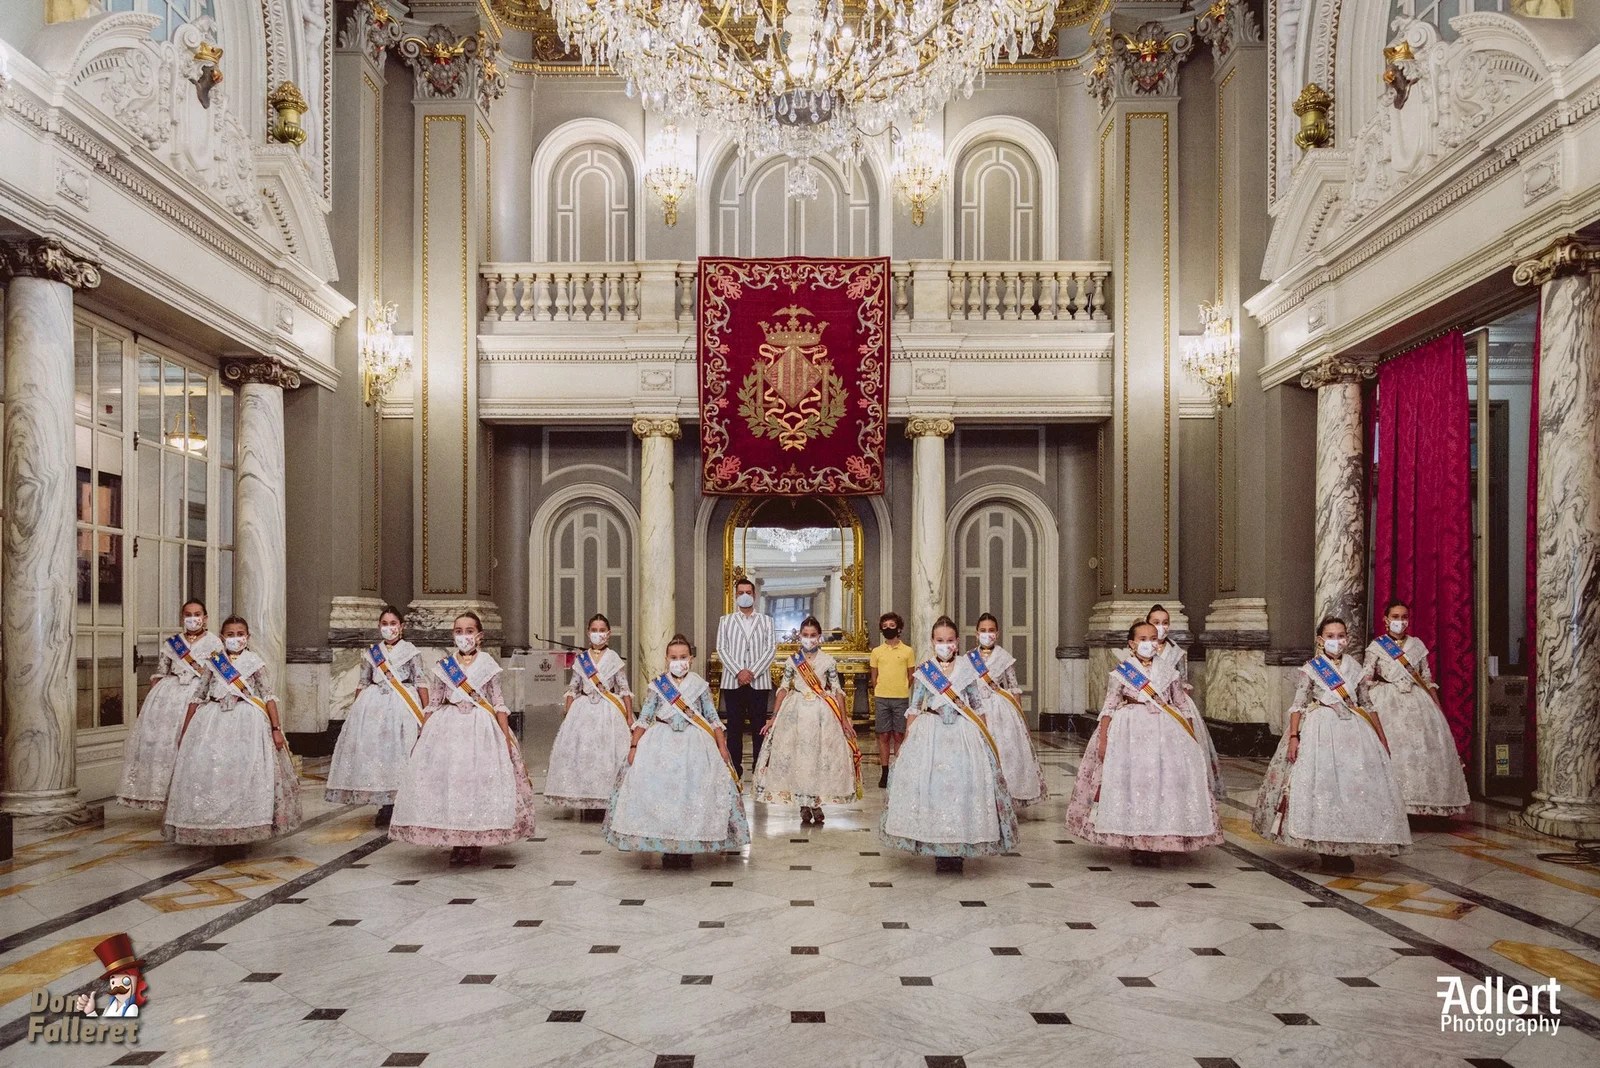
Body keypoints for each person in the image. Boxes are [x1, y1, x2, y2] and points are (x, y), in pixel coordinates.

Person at [1254, 617, 1411, 872]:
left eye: (1341, 635)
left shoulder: (1355, 667)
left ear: (1347, 638)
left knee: (1352, 788)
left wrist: (1381, 738)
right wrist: (1293, 737)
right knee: (1323, 787)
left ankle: (1346, 844)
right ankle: (1325, 846)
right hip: (1319, 730)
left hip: (1354, 732)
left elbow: (1367, 704)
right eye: (1330, 636)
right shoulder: (1313, 668)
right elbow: (1298, 705)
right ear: (1320, 640)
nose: (1336, 641)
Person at [1066, 621, 1222, 866]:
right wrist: (1103, 739)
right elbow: (1108, 707)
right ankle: (1135, 842)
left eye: (1153, 639)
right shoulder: (1122, 672)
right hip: (1129, 733)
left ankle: (1160, 840)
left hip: (1166, 734)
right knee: (1135, 785)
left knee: (1163, 785)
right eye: (1143, 638)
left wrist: (1191, 738)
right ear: (1132, 643)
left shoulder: (1169, 672)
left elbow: (1182, 706)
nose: (1149, 643)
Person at [389, 612, 537, 865]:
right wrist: (422, 735)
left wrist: (505, 737)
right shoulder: (444, 667)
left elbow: (498, 702)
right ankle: (457, 839)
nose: (464, 636)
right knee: (451, 784)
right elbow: (434, 703)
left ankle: (474, 841)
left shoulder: (488, 664)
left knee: (476, 784)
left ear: (480, 635)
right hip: (446, 729)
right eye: (459, 631)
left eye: (469, 631)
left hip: (481, 729)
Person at [880, 616, 1017, 872]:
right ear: (933, 642)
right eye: (940, 640)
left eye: (950, 640)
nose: (945, 645)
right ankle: (937, 847)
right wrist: (907, 740)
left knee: (962, 788)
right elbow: (914, 707)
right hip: (930, 732)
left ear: (957, 642)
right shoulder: (925, 671)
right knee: (933, 789)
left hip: (964, 733)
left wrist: (985, 736)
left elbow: (977, 706)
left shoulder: (968, 668)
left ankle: (959, 847)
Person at [604, 635, 749, 867]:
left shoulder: (700, 685)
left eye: (683, 657)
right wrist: (634, 746)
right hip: (660, 742)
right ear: (666, 659)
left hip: (695, 743)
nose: (678, 661)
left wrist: (722, 748)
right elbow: (645, 718)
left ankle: (687, 846)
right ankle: (666, 846)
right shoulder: (658, 685)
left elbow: (713, 718)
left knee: (692, 794)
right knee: (662, 795)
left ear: (691, 659)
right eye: (674, 657)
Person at [163, 616, 302, 852]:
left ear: (247, 637)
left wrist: (276, 729)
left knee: (243, 774)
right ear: (222, 637)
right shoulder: (213, 662)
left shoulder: (254, 662)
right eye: (230, 634)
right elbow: (198, 696)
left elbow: (268, 696)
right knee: (213, 774)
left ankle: (243, 828)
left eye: (240, 634)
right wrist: (185, 730)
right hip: (212, 721)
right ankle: (214, 827)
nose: (235, 638)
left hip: (248, 722)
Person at [1361, 601, 1471, 818]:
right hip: (1386, 700)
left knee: (1422, 749)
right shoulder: (1377, 646)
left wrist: (1437, 708)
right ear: (1385, 619)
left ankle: (1420, 803)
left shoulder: (1417, 645)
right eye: (1395, 616)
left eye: (1404, 617)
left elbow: (1426, 679)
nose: (1400, 621)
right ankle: (1391, 804)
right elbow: (1366, 677)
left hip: (1418, 701)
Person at [324, 605, 427, 826]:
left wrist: (428, 714)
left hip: (403, 707)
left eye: (393, 623)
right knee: (381, 756)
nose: (389, 628)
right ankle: (386, 803)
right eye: (385, 624)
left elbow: (420, 682)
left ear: (402, 626)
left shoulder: (411, 651)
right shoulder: (372, 653)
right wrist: (355, 714)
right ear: (379, 626)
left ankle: (403, 801)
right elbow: (363, 682)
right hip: (374, 709)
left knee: (402, 753)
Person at [117, 598, 221, 811]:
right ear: (182, 618)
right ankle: (163, 795)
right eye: (188, 615)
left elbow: (218, 675)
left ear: (205, 618)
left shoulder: (214, 643)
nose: (193, 618)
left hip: (198, 694)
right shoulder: (172, 643)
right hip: (169, 697)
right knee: (164, 745)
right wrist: (154, 700)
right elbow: (161, 672)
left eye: (197, 614)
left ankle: (194, 798)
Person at [754, 616, 861, 824]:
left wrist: (844, 719)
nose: (809, 639)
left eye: (813, 635)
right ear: (800, 636)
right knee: (799, 757)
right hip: (795, 712)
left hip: (822, 713)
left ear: (819, 637)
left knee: (818, 757)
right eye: (805, 635)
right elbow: (783, 688)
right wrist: (773, 718)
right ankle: (803, 803)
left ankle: (816, 802)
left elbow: (837, 690)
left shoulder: (828, 661)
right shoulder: (792, 661)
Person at [545, 613, 633, 816]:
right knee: (583, 755)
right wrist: (568, 712)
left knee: (606, 755)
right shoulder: (581, 660)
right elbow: (573, 687)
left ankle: (606, 798)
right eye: (594, 630)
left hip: (609, 711)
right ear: (588, 633)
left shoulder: (614, 658)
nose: (598, 634)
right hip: (583, 711)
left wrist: (629, 717)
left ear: (608, 634)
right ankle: (584, 797)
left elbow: (624, 689)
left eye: (602, 630)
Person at [968, 614, 1048, 808]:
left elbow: (1013, 688)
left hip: (1000, 712)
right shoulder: (969, 658)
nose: (987, 634)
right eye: (983, 630)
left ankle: (1004, 800)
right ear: (976, 633)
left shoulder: (1004, 658)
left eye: (991, 630)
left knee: (1005, 755)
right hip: (975, 709)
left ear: (997, 633)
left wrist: (1021, 719)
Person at [714, 577, 776, 773]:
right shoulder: (726, 621)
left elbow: (770, 649)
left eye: (748, 593)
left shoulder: (766, 621)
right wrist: (739, 671)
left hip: (759, 682)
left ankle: (759, 768)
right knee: (734, 728)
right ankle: (735, 769)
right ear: (735, 596)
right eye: (740, 593)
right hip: (733, 682)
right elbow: (721, 649)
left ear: (754, 595)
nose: (744, 596)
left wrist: (752, 672)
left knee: (759, 727)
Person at [869, 611, 915, 789]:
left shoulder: (908, 651)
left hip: (900, 698)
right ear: (881, 629)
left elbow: (911, 676)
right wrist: (879, 688)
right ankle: (885, 771)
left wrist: (902, 687)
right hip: (882, 697)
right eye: (885, 626)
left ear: (899, 628)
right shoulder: (876, 652)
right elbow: (874, 676)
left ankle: (898, 770)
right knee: (883, 735)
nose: (888, 629)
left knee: (898, 735)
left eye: (892, 626)